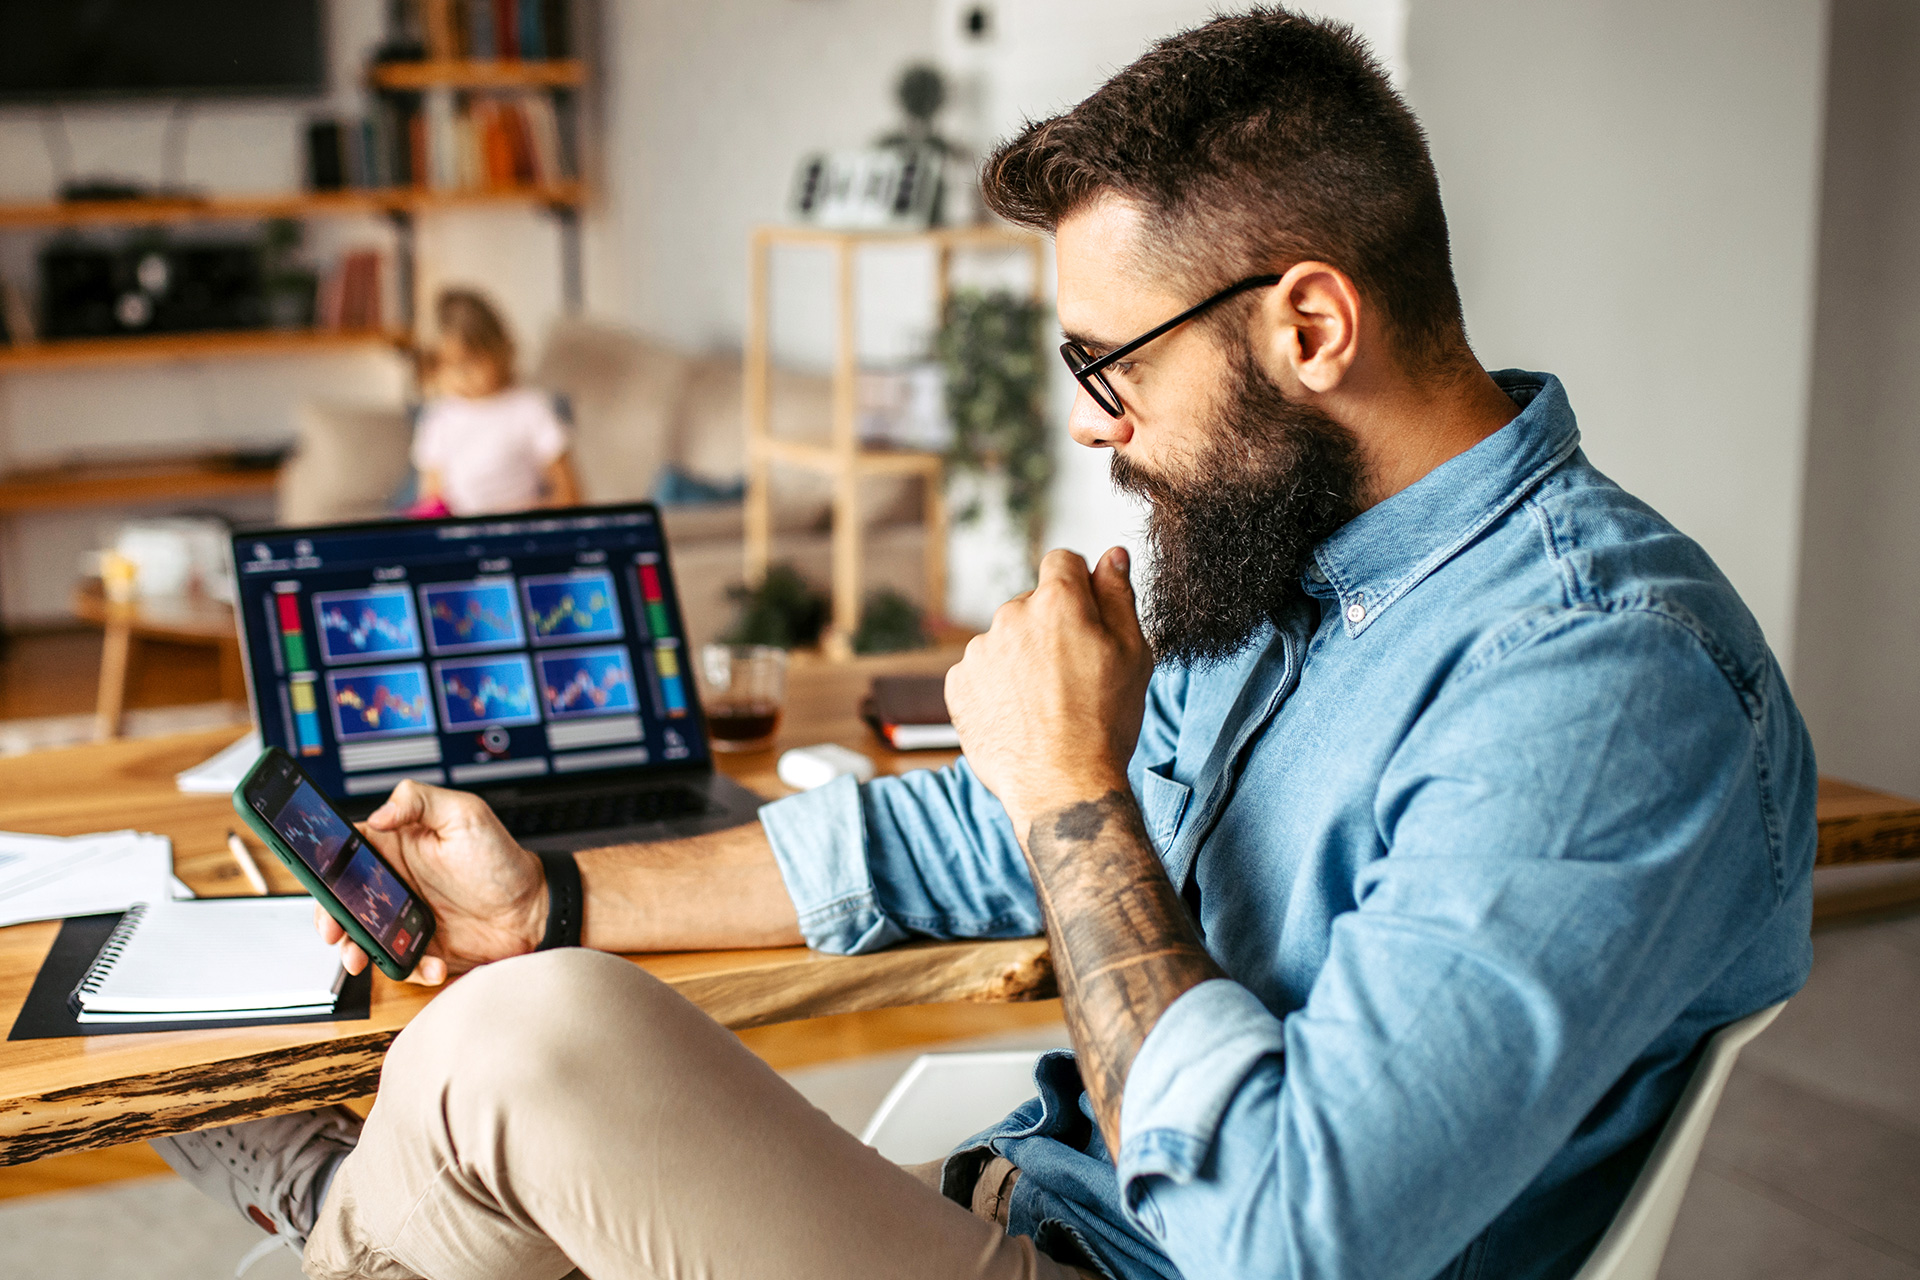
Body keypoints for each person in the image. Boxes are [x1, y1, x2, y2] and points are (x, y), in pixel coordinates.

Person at [151, 10, 1815, 1280]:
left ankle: (348, 1215)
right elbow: (964, 829)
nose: (1096, 430)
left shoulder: (1600, 686)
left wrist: (1071, 783)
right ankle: (380, 1206)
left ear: (1310, 326)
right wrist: (552, 898)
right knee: (523, 1007)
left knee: (519, 1048)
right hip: (1011, 1203)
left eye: (1111, 366)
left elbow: (1287, 1240)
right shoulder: (1286, 575)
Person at [407, 288, 580, 518]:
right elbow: (432, 498)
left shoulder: (530, 408)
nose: (460, 377)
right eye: (445, 367)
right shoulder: (438, 418)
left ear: (498, 348)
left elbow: (570, 495)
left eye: (471, 362)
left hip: (519, 531)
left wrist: (535, 511)